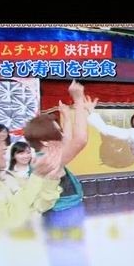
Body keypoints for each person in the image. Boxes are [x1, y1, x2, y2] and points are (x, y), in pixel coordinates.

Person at [24, 80, 92, 213]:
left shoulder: (43, 156)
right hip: (62, 213)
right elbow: (79, 140)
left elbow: (67, 140)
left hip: (64, 210)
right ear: (45, 141)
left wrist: (66, 116)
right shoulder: (47, 160)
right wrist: (78, 101)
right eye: (58, 132)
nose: (62, 135)